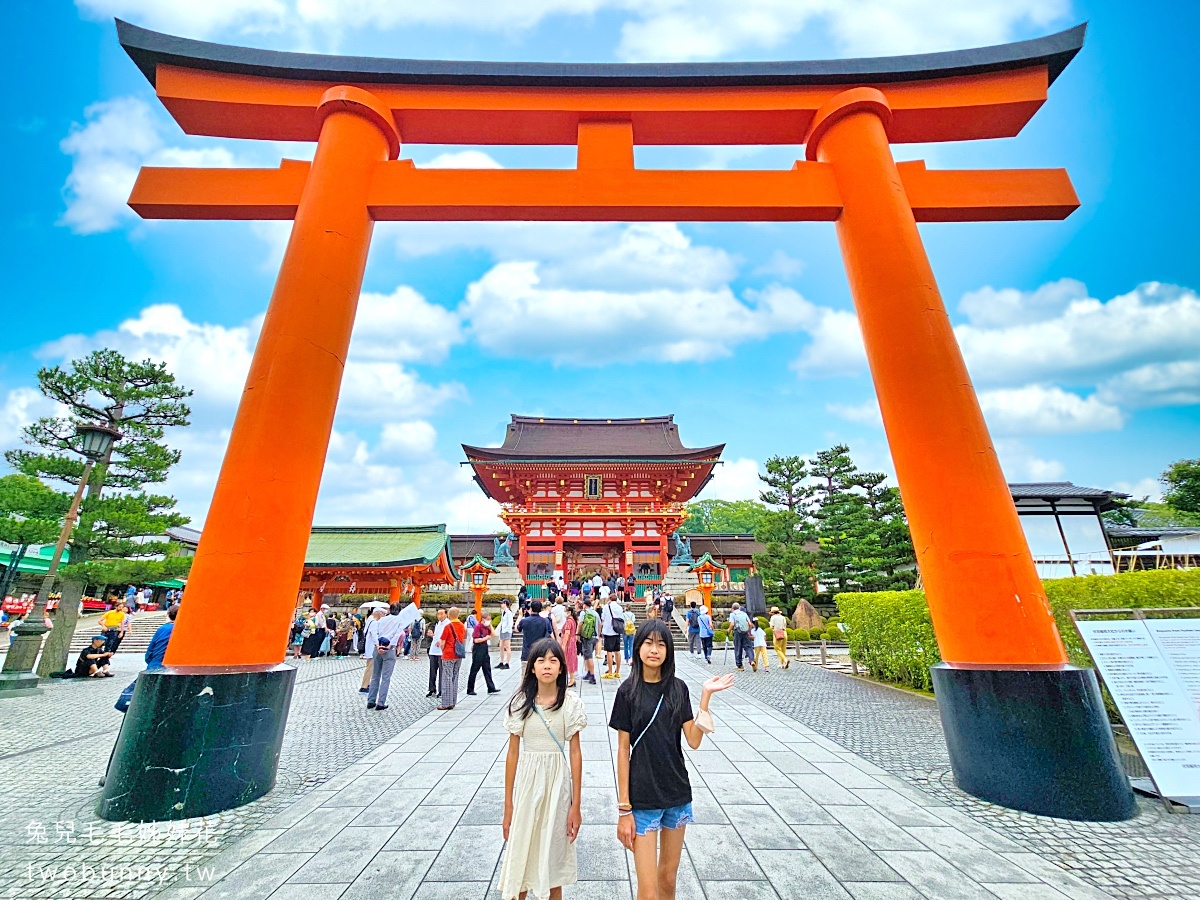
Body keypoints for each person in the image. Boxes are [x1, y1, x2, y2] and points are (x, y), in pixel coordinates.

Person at [610, 620, 734, 900]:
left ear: (668, 651)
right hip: (642, 798)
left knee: (667, 878)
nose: (654, 650)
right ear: (638, 646)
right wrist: (623, 808)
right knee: (649, 890)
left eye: (661, 644)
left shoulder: (678, 689)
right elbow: (622, 751)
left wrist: (705, 698)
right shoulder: (627, 692)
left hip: (676, 792)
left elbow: (693, 739)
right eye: (648, 643)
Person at [498, 638, 585, 900]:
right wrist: (508, 804)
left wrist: (576, 805)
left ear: (561, 668)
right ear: (532, 668)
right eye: (541, 660)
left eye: (553, 660)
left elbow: (576, 754)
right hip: (527, 783)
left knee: (553, 860)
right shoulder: (520, 703)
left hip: (558, 786)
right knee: (520, 855)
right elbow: (513, 753)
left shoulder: (570, 704)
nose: (547, 666)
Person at [367, 603, 407, 711]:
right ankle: (381, 702)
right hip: (389, 649)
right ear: (399, 610)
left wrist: (377, 645)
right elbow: (397, 634)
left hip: (378, 647)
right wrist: (389, 646)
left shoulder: (382, 620)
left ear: (389, 610)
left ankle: (371, 700)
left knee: (375, 675)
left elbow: (374, 632)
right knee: (386, 677)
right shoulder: (400, 620)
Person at [437, 607, 468, 711]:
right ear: (458, 615)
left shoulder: (448, 626)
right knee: (455, 677)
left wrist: (443, 650)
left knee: (447, 678)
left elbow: (442, 642)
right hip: (458, 655)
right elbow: (464, 640)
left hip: (448, 654)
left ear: (449, 615)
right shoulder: (462, 626)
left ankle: (446, 703)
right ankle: (453, 701)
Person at [467, 609, 500, 695]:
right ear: (483, 619)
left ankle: (491, 687)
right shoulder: (478, 627)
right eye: (488, 619)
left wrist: (490, 626)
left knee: (487, 668)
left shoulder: (486, 627)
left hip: (485, 648)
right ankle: (470, 689)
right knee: (475, 668)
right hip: (478, 648)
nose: (489, 621)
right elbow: (476, 640)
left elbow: (494, 634)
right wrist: (485, 638)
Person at [360, 607, 387, 693]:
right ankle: (364, 686)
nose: (383, 616)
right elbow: (374, 635)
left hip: (369, 647)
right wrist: (378, 645)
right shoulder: (374, 622)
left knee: (370, 666)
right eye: (383, 614)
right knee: (370, 667)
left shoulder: (369, 620)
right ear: (379, 613)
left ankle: (367, 684)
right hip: (372, 648)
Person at [144, 604, 178, 670]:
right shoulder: (181, 629)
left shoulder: (162, 629)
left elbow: (149, 652)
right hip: (173, 669)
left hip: (154, 666)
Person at [600, 589, 624, 680]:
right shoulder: (620, 607)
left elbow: (603, 618)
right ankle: (617, 671)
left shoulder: (607, 607)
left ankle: (610, 671)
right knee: (617, 651)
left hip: (609, 631)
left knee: (609, 652)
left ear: (609, 599)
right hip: (617, 630)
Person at [427, 608, 448, 698]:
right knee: (432, 670)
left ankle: (441, 689)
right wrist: (432, 634)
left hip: (442, 651)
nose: (439, 616)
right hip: (434, 650)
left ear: (446, 614)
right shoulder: (437, 623)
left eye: (441, 614)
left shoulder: (448, 624)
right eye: (438, 614)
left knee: (442, 672)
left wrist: (441, 641)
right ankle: (432, 689)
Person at [577, 598, 599, 685]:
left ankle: (592, 675)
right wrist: (598, 635)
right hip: (594, 636)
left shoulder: (584, 613)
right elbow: (600, 624)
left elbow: (580, 623)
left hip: (586, 636)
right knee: (587, 653)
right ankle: (589, 672)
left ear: (584, 605)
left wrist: (577, 634)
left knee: (589, 655)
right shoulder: (595, 613)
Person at [558, 604, 579, 689]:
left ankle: (572, 679)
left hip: (568, 643)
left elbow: (567, 633)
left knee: (568, 660)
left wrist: (563, 645)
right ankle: (572, 678)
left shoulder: (569, 621)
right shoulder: (573, 620)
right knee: (571, 660)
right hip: (572, 642)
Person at [727, 603, 752, 671]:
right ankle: (752, 660)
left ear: (732, 608)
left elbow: (732, 624)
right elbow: (749, 623)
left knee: (738, 648)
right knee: (748, 647)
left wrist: (728, 630)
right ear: (739, 608)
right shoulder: (744, 614)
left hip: (737, 632)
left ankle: (740, 665)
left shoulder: (732, 614)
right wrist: (748, 631)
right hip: (745, 632)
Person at [497, 599, 514, 669]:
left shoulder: (509, 612)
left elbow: (510, 623)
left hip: (507, 631)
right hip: (502, 630)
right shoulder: (503, 612)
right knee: (501, 646)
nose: (501, 605)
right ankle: (501, 661)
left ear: (505, 604)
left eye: (502, 603)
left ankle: (507, 663)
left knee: (507, 647)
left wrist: (507, 630)